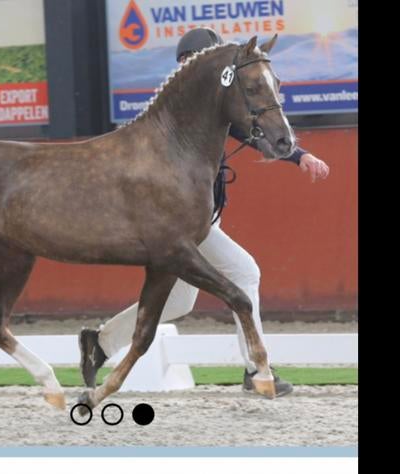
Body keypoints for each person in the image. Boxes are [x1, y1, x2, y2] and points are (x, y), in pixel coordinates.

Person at [78, 28, 330, 397]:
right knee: (245, 272)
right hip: (179, 223)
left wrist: (299, 155)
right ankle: (257, 370)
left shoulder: (211, 110)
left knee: (180, 300)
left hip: (201, 220)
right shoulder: (176, 111)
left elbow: (252, 131)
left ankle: (99, 344)